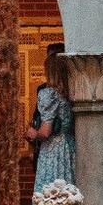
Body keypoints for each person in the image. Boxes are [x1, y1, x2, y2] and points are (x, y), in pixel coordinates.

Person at [28, 49, 76, 193]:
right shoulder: (72, 92)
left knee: (50, 191)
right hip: (69, 146)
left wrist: (33, 133)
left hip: (52, 150)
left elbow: (45, 132)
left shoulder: (48, 94)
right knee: (67, 190)